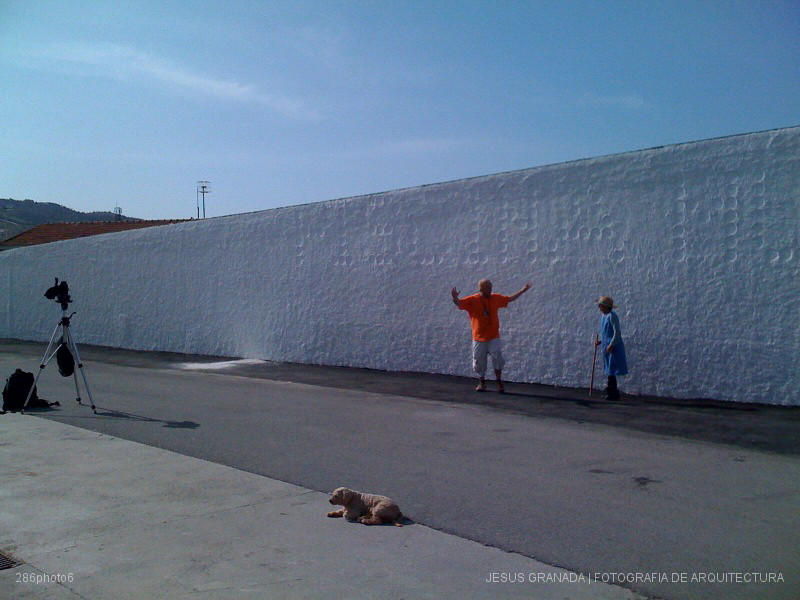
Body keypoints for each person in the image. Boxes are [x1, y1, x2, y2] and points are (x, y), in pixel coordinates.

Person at [451, 279, 531, 392]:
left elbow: (509, 298)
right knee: (478, 362)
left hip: (493, 336)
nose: (490, 289)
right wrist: (455, 298)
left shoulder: (495, 298)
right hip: (478, 338)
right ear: (481, 289)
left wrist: (522, 291)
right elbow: (459, 303)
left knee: (497, 357)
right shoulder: (472, 300)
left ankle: (499, 382)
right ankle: (482, 382)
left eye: (491, 287)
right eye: (488, 288)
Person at [595, 296, 628, 400]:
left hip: (613, 346)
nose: (599, 308)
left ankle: (613, 390)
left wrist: (611, 344)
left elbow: (616, 332)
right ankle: (611, 389)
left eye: (600, 306)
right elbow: (605, 333)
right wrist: (600, 342)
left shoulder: (612, 316)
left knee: (612, 368)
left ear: (605, 307)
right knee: (609, 367)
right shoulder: (604, 316)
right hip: (607, 346)